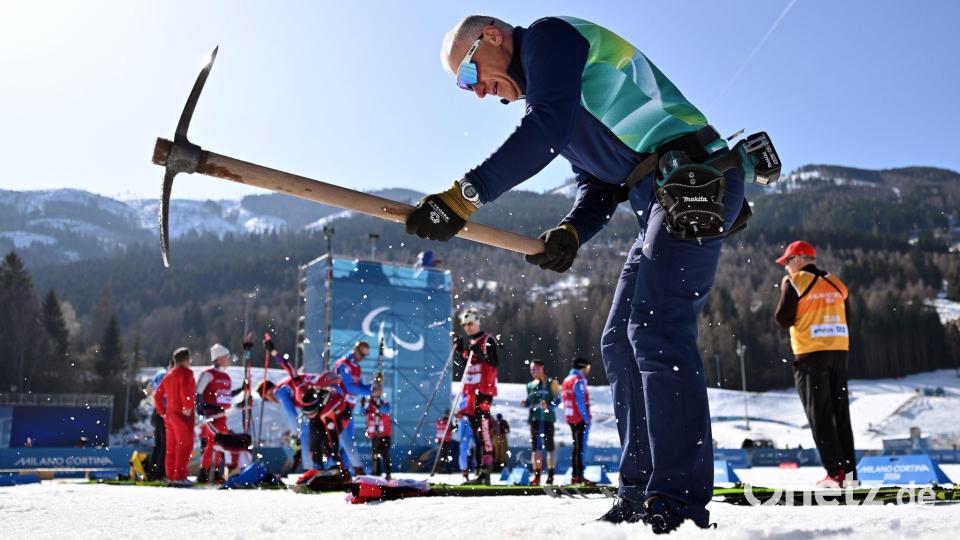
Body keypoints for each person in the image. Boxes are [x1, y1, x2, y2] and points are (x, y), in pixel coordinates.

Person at [406, 15, 756, 530]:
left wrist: (465, 196)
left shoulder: (549, 38)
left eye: (468, 73)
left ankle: (678, 498)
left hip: (694, 182)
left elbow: (544, 128)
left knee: (657, 330)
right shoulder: (554, 95)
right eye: (465, 86)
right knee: (619, 340)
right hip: (657, 200)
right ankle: (640, 489)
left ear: (494, 38)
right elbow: (597, 186)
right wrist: (570, 231)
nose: (476, 91)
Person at [774, 240, 856, 488]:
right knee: (841, 414)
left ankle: (835, 473)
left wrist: (785, 290)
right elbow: (848, 318)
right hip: (839, 352)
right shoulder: (836, 283)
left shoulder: (796, 282)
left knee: (819, 416)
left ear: (798, 258)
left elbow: (783, 319)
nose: (786, 267)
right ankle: (849, 475)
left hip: (811, 355)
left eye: (787, 261)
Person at [258, 337, 342, 471]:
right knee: (319, 436)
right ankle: (323, 467)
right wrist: (273, 352)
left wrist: (294, 436)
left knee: (319, 435)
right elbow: (288, 366)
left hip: (332, 402)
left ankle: (325, 466)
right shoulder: (298, 383)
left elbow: (292, 416)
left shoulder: (281, 391)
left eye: (268, 397)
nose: (272, 401)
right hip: (327, 402)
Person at [453, 307, 499, 485]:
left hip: (483, 393)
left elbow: (494, 362)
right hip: (470, 395)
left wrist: (480, 353)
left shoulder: (487, 340)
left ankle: (485, 472)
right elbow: (468, 366)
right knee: (476, 434)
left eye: (470, 323)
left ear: (477, 322)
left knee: (483, 431)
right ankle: (480, 472)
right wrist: (460, 351)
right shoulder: (470, 343)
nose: (467, 327)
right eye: (465, 325)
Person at [153, 347, 196, 487]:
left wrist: (162, 412)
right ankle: (179, 476)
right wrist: (187, 406)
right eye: (189, 358)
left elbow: (157, 395)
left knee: (171, 447)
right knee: (184, 445)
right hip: (182, 415)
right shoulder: (186, 372)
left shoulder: (169, 374)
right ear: (186, 359)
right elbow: (185, 389)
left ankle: (171, 476)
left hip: (170, 416)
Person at [334, 341, 374, 475]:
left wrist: (374, 387)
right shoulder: (343, 364)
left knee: (349, 440)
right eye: (361, 353)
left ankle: (344, 471)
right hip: (338, 407)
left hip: (349, 408)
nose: (362, 357)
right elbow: (349, 387)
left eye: (365, 356)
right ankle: (332, 468)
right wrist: (370, 391)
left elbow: (361, 387)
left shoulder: (357, 367)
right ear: (355, 349)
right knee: (341, 440)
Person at [196, 343, 234, 482]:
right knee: (213, 443)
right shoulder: (208, 374)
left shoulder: (227, 377)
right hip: (211, 416)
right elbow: (198, 393)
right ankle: (203, 472)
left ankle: (217, 472)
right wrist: (202, 411)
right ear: (218, 358)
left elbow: (225, 398)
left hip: (222, 416)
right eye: (226, 357)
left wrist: (242, 390)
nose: (229, 359)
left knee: (220, 444)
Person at [521, 360, 560, 485]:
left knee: (550, 448)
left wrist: (548, 406)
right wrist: (525, 403)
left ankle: (551, 475)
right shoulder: (530, 385)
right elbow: (529, 401)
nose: (532, 372)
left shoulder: (551, 382)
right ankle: (537, 476)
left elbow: (558, 400)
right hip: (534, 420)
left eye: (535, 369)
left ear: (541, 367)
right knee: (536, 449)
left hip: (548, 420)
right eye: (531, 369)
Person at [562, 357, 593, 485]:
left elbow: (562, 398)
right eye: (587, 368)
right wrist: (586, 418)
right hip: (579, 418)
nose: (588, 371)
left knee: (576, 447)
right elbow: (580, 401)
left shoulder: (566, 380)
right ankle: (579, 476)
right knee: (580, 448)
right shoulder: (578, 380)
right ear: (582, 367)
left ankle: (575, 476)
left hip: (570, 418)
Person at [145, 359, 173, 481]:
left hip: (157, 412)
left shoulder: (160, 372)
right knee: (165, 444)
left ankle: (152, 473)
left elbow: (148, 389)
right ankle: (159, 473)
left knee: (159, 445)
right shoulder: (166, 375)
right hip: (162, 412)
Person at [364, 395, 393, 480]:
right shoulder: (369, 405)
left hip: (385, 435)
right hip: (375, 435)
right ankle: (377, 473)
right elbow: (363, 411)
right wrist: (365, 404)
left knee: (385, 454)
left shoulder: (384, 403)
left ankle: (388, 473)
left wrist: (377, 406)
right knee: (375, 455)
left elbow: (387, 410)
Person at [435, 409, 456, 474]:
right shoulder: (448, 421)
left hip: (440, 439)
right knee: (445, 454)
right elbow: (454, 428)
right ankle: (444, 469)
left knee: (442, 454)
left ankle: (440, 468)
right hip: (446, 440)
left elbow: (438, 427)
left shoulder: (439, 421)